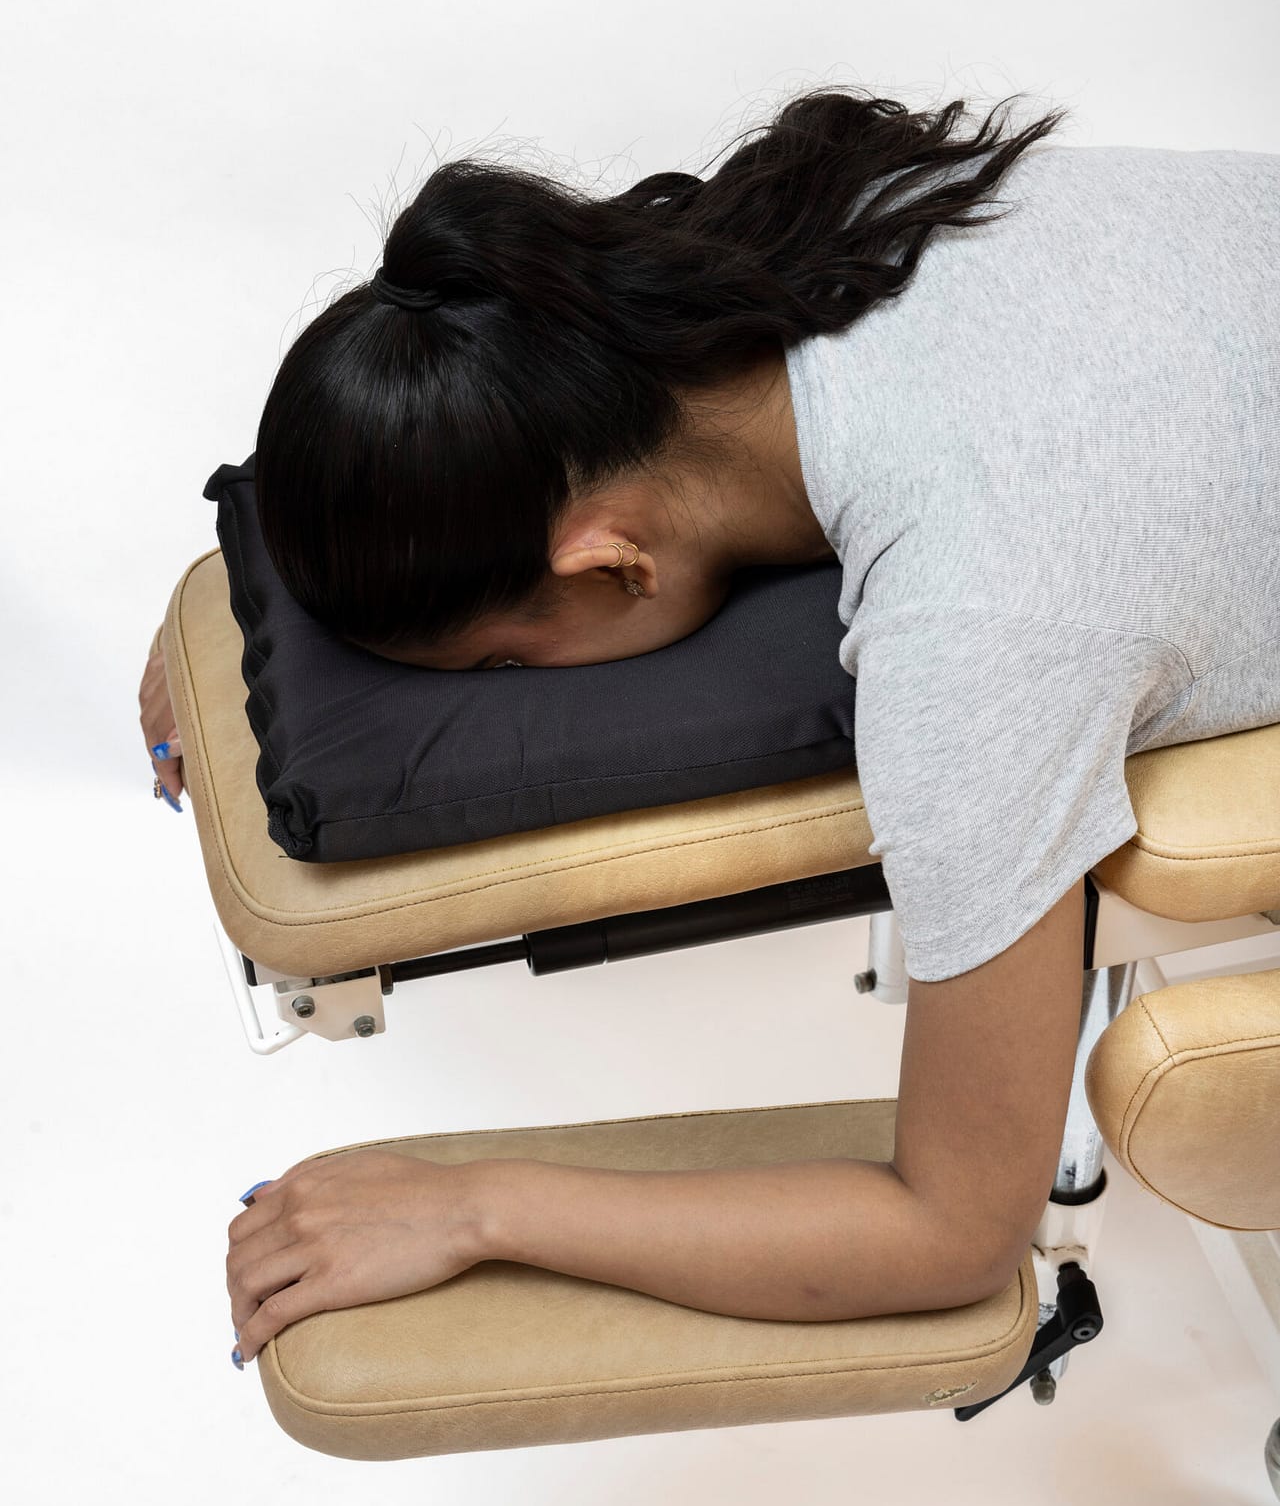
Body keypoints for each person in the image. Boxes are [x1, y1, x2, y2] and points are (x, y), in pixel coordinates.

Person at [136, 86, 1280, 1370]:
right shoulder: (838, 216)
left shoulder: (977, 622)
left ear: (612, 563)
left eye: (506, 662)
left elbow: (949, 1228)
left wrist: (472, 1206)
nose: (508, 685)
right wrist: (264, 609)